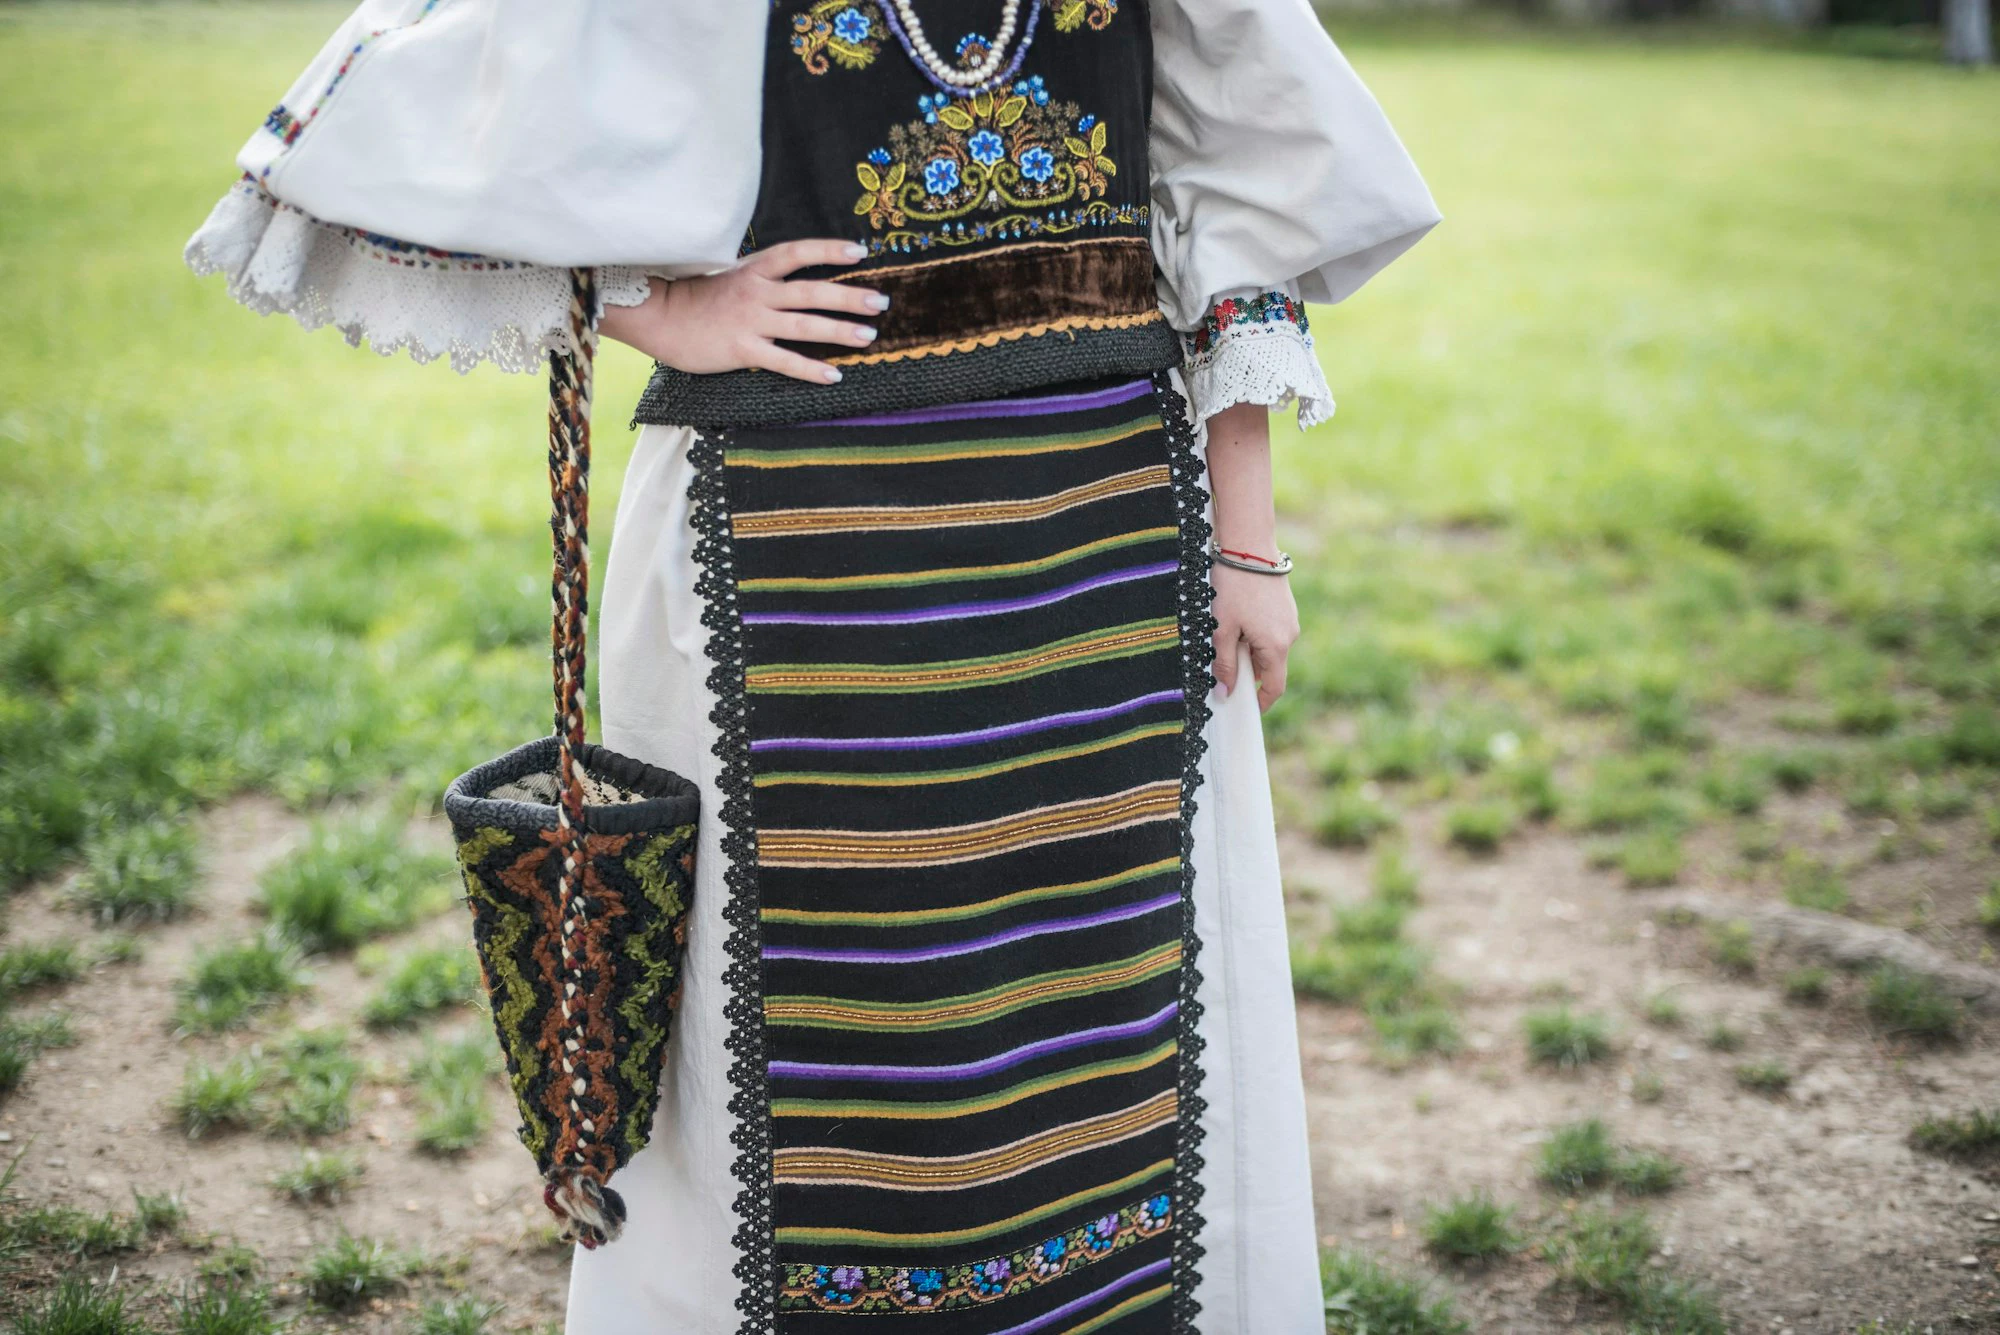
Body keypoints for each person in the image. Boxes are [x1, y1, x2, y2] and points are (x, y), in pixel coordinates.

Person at [186, 1, 1438, 1330]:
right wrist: (652, 309)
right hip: (792, 563)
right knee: (831, 1054)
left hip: (1098, 556)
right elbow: (421, 104)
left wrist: (1248, 536)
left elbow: (1232, 173)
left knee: (1107, 1026)